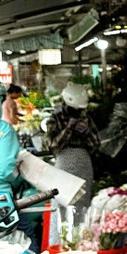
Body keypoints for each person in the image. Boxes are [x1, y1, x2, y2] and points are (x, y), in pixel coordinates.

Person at [44, 83, 100, 213]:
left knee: (83, 202)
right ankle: (61, 232)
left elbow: (96, 144)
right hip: (63, 164)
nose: (78, 112)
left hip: (83, 164)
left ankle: (82, 231)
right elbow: (52, 145)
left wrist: (86, 132)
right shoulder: (55, 119)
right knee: (62, 202)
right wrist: (68, 129)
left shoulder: (86, 118)